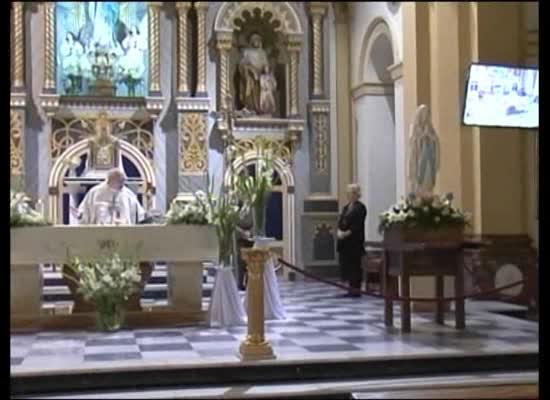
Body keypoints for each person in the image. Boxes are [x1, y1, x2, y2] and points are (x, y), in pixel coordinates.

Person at [71, 168, 145, 225]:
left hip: (124, 234)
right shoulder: (94, 193)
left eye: (121, 183)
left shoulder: (128, 195)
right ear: (108, 180)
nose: (120, 186)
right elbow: (83, 215)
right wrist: (80, 216)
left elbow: (140, 216)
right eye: (117, 183)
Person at [336, 184, 367, 297]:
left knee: (355, 266)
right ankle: (350, 288)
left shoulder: (360, 207)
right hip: (345, 243)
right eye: (348, 192)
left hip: (354, 242)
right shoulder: (346, 207)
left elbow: (357, 225)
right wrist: (339, 231)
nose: (349, 195)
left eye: (352, 192)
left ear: (357, 194)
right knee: (347, 265)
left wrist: (346, 233)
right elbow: (341, 221)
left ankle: (356, 290)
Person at [238, 33, 270, 114]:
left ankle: (261, 108)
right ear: (251, 41)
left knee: (263, 89)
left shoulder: (262, 52)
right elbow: (242, 64)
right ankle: (250, 106)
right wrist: (250, 69)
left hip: (261, 77)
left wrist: (266, 69)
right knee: (250, 87)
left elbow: (265, 64)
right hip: (250, 76)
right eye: (255, 40)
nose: (257, 41)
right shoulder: (247, 52)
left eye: (259, 40)